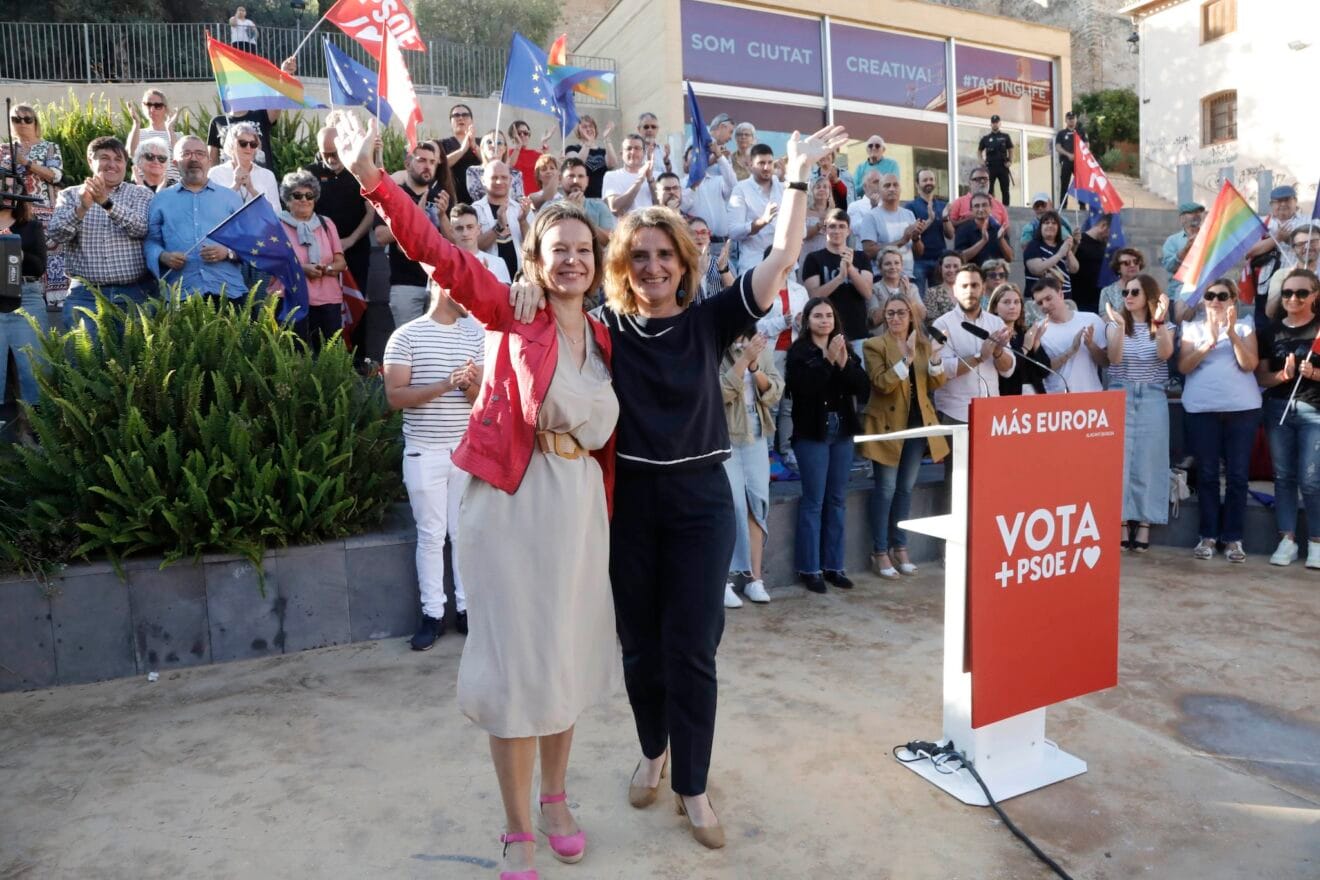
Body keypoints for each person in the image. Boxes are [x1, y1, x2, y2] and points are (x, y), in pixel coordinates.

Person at [337, 114, 620, 880]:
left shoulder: (608, 338)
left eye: (583, 250)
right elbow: (439, 254)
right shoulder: (509, 309)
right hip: (511, 504)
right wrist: (372, 180)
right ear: (536, 259)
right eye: (558, 250)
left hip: (579, 514)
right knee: (512, 667)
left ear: (598, 263)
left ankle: (556, 799)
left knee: (563, 659)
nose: (571, 260)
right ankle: (517, 827)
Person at [587, 124, 847, 850]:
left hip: (702, 504)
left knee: (693, 648)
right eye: (639, 256)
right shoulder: (605, 328)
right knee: (639, 646)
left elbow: (785, 254)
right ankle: (653, 752)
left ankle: (693, 786)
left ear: (684, 261)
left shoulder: (711, 319)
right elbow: (546, 306)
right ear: (623, 265)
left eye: (664, 254)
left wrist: (796, 174)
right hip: (631, 507)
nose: (652, 266)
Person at [383, 276, 484, 651]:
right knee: (430, 535)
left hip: (464, 451)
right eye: (464, 288)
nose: (471, 296)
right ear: (442, 286)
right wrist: (446, 384)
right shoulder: (406, 336)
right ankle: (432, 615)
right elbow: (395, 397)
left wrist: (468, 386)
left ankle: (467, 610)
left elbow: (482, 399)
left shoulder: (475, 336)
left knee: (462, 533)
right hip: (423, 452)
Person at [860, 293, 947, 579]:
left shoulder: (922, 344)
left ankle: (901, 547)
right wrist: (906, 358)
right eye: (890, 313)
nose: (895, 318)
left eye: (901, 312)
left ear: (911, 316)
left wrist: (935, 357)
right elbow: (882, 384)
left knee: (905, 490)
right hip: (887, 428)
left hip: (917, 427)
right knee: (885, 490)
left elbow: (936, 382)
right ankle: (880, 551)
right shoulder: (874, 345)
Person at [786, 296, 869, 593]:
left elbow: (862, 388)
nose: (824, 321)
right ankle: (810, 569)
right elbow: (804, 388)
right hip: (812, 433)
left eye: (829, 316)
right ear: (807, 321)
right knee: (814, 501)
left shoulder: (845, 348)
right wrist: (828, 360)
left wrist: (844, 363)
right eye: (818, 316)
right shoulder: (799, 352)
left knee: (837, 499)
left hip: (842, 431)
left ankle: (834, 566)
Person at [1178, 278, 1260, 563]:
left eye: (1222, 296)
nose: (1215, 300)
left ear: (1232, 300)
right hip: (1202, 409)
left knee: (1237, 476)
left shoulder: (1245, 325)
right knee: (1208, 475)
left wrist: (1231, 333)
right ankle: (1208, 535)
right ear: (1203, 300)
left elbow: (1249, 364)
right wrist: (1209, 341)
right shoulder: (1191, 328)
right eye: (1210, 295)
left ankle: (1233, 538)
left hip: (1242, 410)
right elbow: (1184, 366)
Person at [47, 136, 155, 332]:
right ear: (91, 161)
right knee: (84, 351)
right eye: (104, 158)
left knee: (135, 352)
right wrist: (81, 209)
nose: (112, 164)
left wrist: (106, 203)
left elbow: (141, 228)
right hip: (85, 295)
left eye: (118, 159)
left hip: (134, 293)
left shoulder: (141, 193)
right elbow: (56, 234)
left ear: (125, 164)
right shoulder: (70, 195)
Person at [1254, 268, 1320, 569]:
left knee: (1311, 479)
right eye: (1288, 293)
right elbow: (1261, 377)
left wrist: (1314, 373)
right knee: (1283, 478)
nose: (1293, 298)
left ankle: (1316, 542)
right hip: (1278, 409)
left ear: (1314, 295)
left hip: (1314, 411)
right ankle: (1287, 539)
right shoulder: (1270, 331)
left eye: (1301, 293)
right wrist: (1283, 376)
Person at [1104, 274, 1174, 552]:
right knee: (1118, 461)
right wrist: (1121, 327)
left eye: (1135, 292)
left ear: (1148, 296)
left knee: (1150, 459)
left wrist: (1159, 321)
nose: (1129, 297)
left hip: (1153, 395)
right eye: (1126, 292)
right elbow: (1114, 358)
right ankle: (1120, 520)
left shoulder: (1165, 325)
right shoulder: (1114, 324)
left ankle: (1145, 522)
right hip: (1120, 392)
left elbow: (1166, 354)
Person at [719, 331, 783, 608]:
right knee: (730, 505)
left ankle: (755, 579)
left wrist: (755, 366)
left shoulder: (761, 349)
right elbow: (718, 393)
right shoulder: (714, 348)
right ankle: (723, 580)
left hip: (756, 433)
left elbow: (774, 393)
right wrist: (743, 360)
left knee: (757, 504)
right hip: (724, 434)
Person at [145, 136, 247, 302]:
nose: (194, 158)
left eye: (200, 154)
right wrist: (163, 256)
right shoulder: (160, 200)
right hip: (181, 292)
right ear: (175, 163)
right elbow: (151, 242)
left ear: (209, 161)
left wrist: (227, 253)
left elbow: (249, 243)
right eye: (186, 154)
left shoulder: (231, 198)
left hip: (228, 290)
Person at [932, 264, 1015, 424]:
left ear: (983, 289)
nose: (969, 291)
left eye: (975, 285)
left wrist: (998, 352)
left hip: (991, 412)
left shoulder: (996, 322)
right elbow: (941, 371)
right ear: (955, 290)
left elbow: (1008, 370)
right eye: (964, 286)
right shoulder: (942, 324)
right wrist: (979, 357)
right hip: (955, 413)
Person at [1, 102, 64, 301]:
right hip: (13, 214)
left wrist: (26, 162)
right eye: (16, 119)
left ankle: (52, 301)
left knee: (48, 255)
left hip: (43, 209)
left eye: (27, 119)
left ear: (35, 122)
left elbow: (54, 175)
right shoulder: (4, 149)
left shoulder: (49, 147)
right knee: (13, 254)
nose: (22, 123)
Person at [277, 170, 346, 351]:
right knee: (294, 355)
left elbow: (341, 263)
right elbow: (273, 263)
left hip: (327, 299)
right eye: (297, 195)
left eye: (309, 195)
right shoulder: (276, 225)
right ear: (287, 199)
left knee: (330, 354)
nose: (304, 200)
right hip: (291, 299)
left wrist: (326, 268)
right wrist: (302, 269)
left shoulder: (326, 224)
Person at [376, 141, 442, 328]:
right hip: (405, 283)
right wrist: (414, 219)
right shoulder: (393, 197)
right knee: (409, 343)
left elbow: (453, 239)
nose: (427, 166)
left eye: (432, 162)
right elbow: (380, 236)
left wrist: (444, 217)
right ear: (407, 164)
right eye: (421, 160)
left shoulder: (441, 197)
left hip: (439, 284)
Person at [0, 179, 49, 408]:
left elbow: (39, 267)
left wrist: (17, 253)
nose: (6, 191)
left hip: (25, 296)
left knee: (34, 369)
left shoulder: (31, 226)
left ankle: (35, 424)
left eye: (12, 187)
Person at [802, 209, 874, 354]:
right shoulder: (814, 258)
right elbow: (813, 296)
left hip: (857, 332)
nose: (837, 231)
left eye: (842, 226)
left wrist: (851, 269)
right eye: (832, 226)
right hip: (826, 335)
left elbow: (867, 293)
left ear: (849, 231)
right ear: (825, 229)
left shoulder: (861, 257)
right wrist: (839, 278)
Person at [1031, 274, 1107, 393]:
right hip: (1057, 399)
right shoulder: (1038, 330)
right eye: (1040, 303)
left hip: (1092, 395)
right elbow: (1042, 370)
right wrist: (1071, 350)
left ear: (1061, 295)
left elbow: (1106, 362)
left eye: (1048, 298)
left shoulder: (1091, 319)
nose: (1045, 305)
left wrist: (1090, 345)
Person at [727, 144, 784, 274]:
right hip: (753, 263)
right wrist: (762, 222)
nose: (766, 167)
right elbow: (733, 231)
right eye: (761, 163)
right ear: (751, 164)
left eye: (770, 163)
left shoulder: (782, 187)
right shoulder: (741, 189)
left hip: (783, 263)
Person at [857, 173, 922, 280]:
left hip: (908, 277)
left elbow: (919, 253)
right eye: (887, 185)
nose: (892, 189)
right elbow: (868, 251)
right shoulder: (871, 216)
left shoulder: (909, 214)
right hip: (882, 278)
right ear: (879, 190)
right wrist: (902, 240)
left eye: (895, 185)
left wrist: (916, 239)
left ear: (900, 189)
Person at [474, 161, 529, 281]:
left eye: (504, 177)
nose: (499, 182)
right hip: (489, 280)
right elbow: (473, 246)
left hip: (520, 280)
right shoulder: (475, 210)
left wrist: (523, 222)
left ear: (510, 180)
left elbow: (533, 246)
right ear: (483, 180)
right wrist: (498, 226)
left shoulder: (521, 208)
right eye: (494, 177)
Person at [990, 282, 1047, 396]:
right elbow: (1008, 371)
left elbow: (1045, 371)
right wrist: (1025, 348)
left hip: (1035, 396)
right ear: (995, 307)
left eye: (1016, 302)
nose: (1012, 306)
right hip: (1008, 397)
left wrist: (1036, 343)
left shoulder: (1025, 333)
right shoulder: (993, 335)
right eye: (1006, 302)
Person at [207, 121, 280, 211]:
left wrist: (252, 190)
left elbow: (276, 212)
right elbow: (212, 209)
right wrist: (235, 185)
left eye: (253, 144)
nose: (248, 148)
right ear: (231, 145)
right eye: (243, 143)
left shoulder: (267, 175)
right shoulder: (215, 173)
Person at [906, 169, 950, 295]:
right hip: (918, 260)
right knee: (917, 298)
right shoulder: (911, 207)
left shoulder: (942, 205)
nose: (928, 182)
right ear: (917, 184)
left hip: (939, 259)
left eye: (931, 179)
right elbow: (912, 233)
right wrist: (930, 220)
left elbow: (950, 234)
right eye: (924, 180)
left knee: (939, 299)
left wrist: (945, 219)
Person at [449, 203, 511, 284]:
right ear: (451, 232)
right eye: (459, 228)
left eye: (470, 227)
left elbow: (504, 292)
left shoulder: (498, 263)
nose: (465, 233)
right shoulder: (444, 263)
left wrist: (485, 278)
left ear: (478, 229)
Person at [1023, 209, 1077, 296]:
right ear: (1040, 227)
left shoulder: (1062, 245)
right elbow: (1037, 269)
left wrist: (1069, 250)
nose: (1050, 225)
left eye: (1054, 223)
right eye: (1046, 223)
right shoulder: (1033, 246)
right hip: (1039, 298)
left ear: (1058, 228)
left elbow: (1074, 269)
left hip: (1064, 297)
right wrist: (1059, 254)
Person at [564, 115, 618, 199]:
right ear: (578, 130)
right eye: (584, 127)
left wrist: (607, 138)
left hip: (601, 199)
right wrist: (588, 143)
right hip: (579, 198)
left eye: (591, 126)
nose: (588, 129)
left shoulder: (603, 151)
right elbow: (576, 165)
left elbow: (612, 164)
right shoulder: (572, 149)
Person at [602, 134, 656, 216]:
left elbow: (662, 206)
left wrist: (650, 180)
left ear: (644, 153)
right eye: (629, 148)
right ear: (621, 154)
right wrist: (640, 180)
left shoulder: (655, 176)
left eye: (637, 148)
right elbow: (615, 208)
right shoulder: (611, 176)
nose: (633, 152)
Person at [954, 193, 1013, 268]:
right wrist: (983, 241)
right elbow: (959, 258)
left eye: (984, 205)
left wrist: (1001, 240)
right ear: (971, 210)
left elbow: (1010, 258)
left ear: (990, 208)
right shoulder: (963, 229)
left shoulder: (998, 229)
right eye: (977, 206)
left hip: (995, 273)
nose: (981, 209)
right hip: (973, 273)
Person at [467, 131, 525, 204]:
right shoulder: (473, 171)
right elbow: (477, 196)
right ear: (482, 148)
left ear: (504, 149)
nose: (494, 145)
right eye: (489, 142)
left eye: (499, 143)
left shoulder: (516, 174)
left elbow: (519, 199)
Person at [1161, 202, 1204, 300]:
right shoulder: (1173, 240)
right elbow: (1169, 266)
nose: (1196, 215)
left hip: (1204, 292)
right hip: (1179, 294)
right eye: (1191, 212)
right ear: (1182, 218)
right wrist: (1186, 249)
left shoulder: (1209, 238)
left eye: (1198, 212)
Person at [440, 104, 482, 205]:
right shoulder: (442, 144)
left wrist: (474, 147)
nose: (460, 118)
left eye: (465, 115)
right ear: (451, 122)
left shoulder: (482, 142)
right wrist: (462, 150)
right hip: (451, 199)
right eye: (456, 115)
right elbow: (440, 165)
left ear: (471, 121)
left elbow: (491, 163)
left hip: (479, 200)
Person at [1071, 214, 1112, 313]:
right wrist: (1074, 245)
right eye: (1110, 233)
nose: (1109, 237)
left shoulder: (1104, 245)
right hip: (1080, 300)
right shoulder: (1078, 241)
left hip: (1099, 300)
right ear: (1103, 226)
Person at [126, 89, 178, 158]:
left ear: (165, 108)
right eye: (148, 105)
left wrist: (170, 130)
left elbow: (179, 157)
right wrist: (136, 123)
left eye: (157, 105)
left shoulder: (177, 136)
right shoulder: (137, 133)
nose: (152, 109)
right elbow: (132, 154)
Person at [690, 218, 733, 302]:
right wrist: (699, 272)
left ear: (709, 237)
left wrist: (723, 269)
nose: (699, 237)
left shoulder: (722, 261)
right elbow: (681, 298)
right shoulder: (680, 265)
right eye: (693, 233)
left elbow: (734, 294)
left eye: (703, 232)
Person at [1097, 247, 1145, 317]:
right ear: (1118, 268)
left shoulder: (1148, 287)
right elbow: (1104, 318)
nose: (1132, 265)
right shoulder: (1107, 292)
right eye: (1126, 263)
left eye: (1136, 262)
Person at [978, 115, 1014, 205]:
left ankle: (1006, 208)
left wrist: (1010, 161)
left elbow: (1011, 149)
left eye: (996, 122)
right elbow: (979, 151)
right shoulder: (986, 138)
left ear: (1000, 123)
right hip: (990, 167)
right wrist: (981, 161)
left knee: (1005, 189)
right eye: (993, 122)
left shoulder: (1005, 136)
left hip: (1003, 166)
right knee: (989, 190)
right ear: (991, 124)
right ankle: (990, 207)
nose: (995, 124)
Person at [506, 120, 549, 196]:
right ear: (513, 136)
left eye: (525, 133)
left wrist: (545, 150)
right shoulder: (507, 153)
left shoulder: (537, 155)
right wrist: (518, 145)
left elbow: (548, 173)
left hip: (535, 198)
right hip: (515, 198)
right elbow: (509, 167)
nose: (522, 135)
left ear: (529, 135)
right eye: (519, 133)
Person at [1055, 111, 1086, 209]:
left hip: (1079, 162)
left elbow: (1086, 145)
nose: (1071, 120)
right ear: (1066, 120)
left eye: (1073, 118)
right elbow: (1058, 147)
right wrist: (1068, 155)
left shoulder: (1081, 132)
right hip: (1066, 161)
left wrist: (1078, 155)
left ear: (1076, 119)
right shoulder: (1061, 133)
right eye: (1069, 119)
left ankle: (1082, 206)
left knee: (1081, 184)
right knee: (1064, 184)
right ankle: (1063, 206)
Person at [923, 253, 963, 324]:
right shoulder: (932, 292)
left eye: (955, 266)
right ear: (940, 269)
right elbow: (931, 321)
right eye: (947, 266)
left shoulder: (969, 291)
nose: (951, 270)